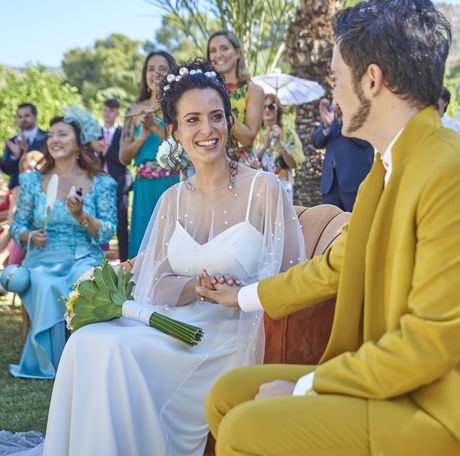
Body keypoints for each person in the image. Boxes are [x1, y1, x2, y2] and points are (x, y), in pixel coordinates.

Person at [203, 0, 460, 456]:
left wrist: (307, 388)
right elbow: (335, 266)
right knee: (228, 394)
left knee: (244, 429)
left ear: (372, 80)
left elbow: (430, 344)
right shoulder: (382, 172)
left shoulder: (458, 172)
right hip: (396, 384)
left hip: (455, 412)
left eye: (336, 79)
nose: (333, 94)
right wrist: (241, 296)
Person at [39, 60, 305, 456]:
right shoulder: (172, 199)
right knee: (87, 341)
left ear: (230, 122)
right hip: (177, 323)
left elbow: (290, 277)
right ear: (175, 132)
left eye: (216, 116)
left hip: (229, 335)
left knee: (118, 351)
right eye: (192, 119)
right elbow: (155, 285)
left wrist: (241, 292)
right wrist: (194, 288)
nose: (207, 130)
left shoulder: (264, 189)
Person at [8, 108, 117, 379]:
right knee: (46, 283)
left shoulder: (101, 183)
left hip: (84, 256)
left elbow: (106, 232)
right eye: (51, 134)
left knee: (83, 280)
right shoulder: (32, 181)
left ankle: (84, 360)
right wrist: (31, 237)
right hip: (42, 258)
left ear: (79, 143)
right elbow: (17, 226)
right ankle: (50, 363)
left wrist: (81, 216)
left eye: (63, 134)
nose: (54, 139)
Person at [119, 51, 179, 258]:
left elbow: (183, 146)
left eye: (163, 68)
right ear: (145, 75)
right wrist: (142, 137)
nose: (156, 74)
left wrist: (156, 127)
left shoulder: (178, 107)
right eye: (151, 69)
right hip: (144, 186)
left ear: (171, 72)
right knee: (143, 245)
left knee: (171, 243)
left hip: (172, 182)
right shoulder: (134, 111)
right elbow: (123, 157)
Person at [207, 30, 264, 169]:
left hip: (242, 167)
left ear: (238, 53)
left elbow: (247, 138)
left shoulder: (253, 90)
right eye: (213, 51)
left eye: (224, 48)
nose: (218, 55)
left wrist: (220, 109)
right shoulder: (204, 91)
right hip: (211, 166)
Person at [310, 98, 373, 211]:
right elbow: (316, 142)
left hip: (354, 181)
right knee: (331, 224)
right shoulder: (330, 111)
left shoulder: (363, 107)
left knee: (355, 224)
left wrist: (342, 120)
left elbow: (366, 141)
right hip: (331, 183)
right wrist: (327, 127)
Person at [91, 98, 132, 262]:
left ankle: (125, 264)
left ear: (116, 113)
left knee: (121, 226)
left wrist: (105, 149)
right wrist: (95, 151)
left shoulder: (123, 133)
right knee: (98, 224)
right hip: (98, 186)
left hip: (119, 184)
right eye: (105, 110)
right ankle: (99, 263)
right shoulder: (95, 133)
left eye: (111, 110)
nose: (107, 114)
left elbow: (124, 159)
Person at [255, 93, 305, 201]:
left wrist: (279, 142)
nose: (267, 110)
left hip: (282, 190)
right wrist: (265, 147)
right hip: (260, 190)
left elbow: (292, 164)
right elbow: (249, 162)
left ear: (278, 109)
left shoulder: (288, 134)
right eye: (264, 106)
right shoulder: (255, 133)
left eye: (271, 106)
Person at [1, 104, 48, 190]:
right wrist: (15, 156)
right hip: (16, 190)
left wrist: (27, 150)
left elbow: (47, 164)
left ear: (35, 116)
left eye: (27, 116)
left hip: (40, 188)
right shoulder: (12, 141)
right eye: (20, 116)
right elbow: (6, 170)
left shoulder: (47, 138)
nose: (23, 119)